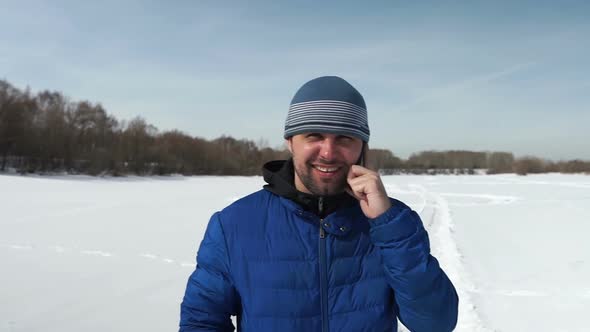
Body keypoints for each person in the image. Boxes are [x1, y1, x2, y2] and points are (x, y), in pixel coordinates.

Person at [180, 76, 459, 332]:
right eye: (313, 136)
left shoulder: (393, 223)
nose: (328, 152)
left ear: (362, 147)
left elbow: (435, 323)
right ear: (290, 142)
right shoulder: (234, 225)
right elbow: (201, 321)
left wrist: (387, 226)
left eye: (344, 138)